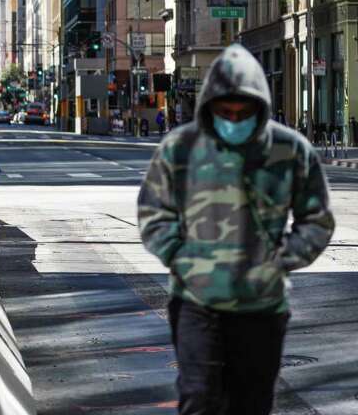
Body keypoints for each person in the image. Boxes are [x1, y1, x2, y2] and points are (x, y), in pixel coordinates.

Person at [138, 44, 334, 415]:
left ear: (259, 106)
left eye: (242, 110)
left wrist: (280, 261)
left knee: (252, 404)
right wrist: (181, 258)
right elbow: (154, 212)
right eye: (224, 110)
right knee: (199, 399)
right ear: (209, 106)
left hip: (262, 307)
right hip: (197, 304)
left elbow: (317, 219)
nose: (233, 117)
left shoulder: (290, 150)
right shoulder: (181, 148)